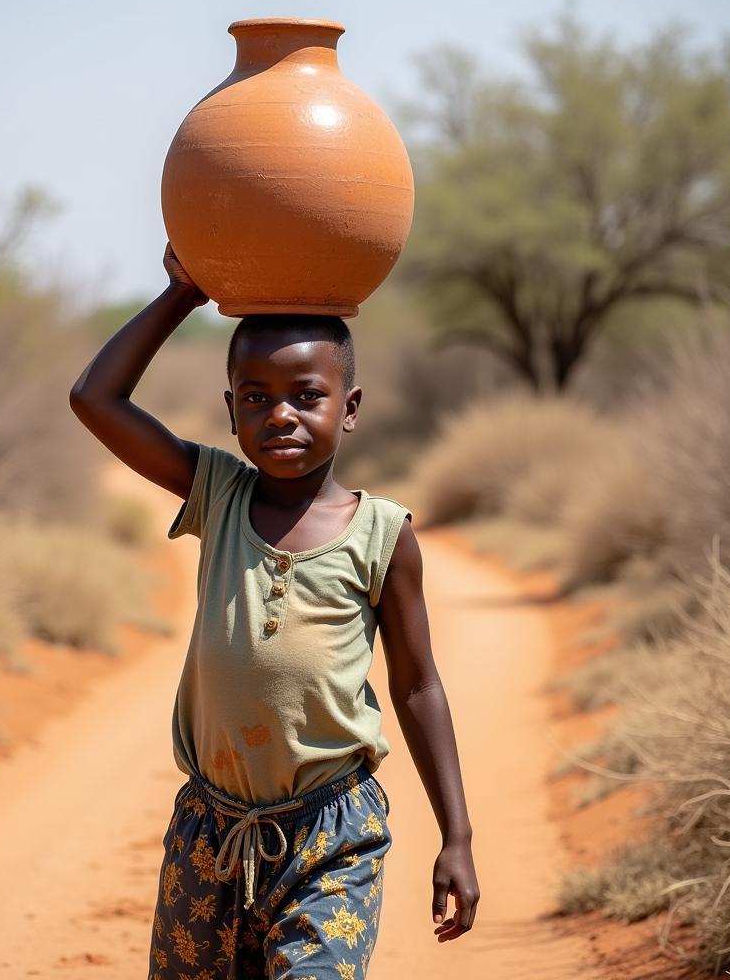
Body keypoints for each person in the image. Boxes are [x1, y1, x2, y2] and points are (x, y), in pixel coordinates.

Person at [69, 242, 479, 978]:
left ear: (349, 409)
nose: (280, 414)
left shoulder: (385, 535)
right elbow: (94, 399)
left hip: (333, 832)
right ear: (231, 413)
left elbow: (418, 685)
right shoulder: (217, 494)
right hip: (209, 830)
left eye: (305, 395)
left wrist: (458, 835)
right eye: (255, 397)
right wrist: (181, 296)